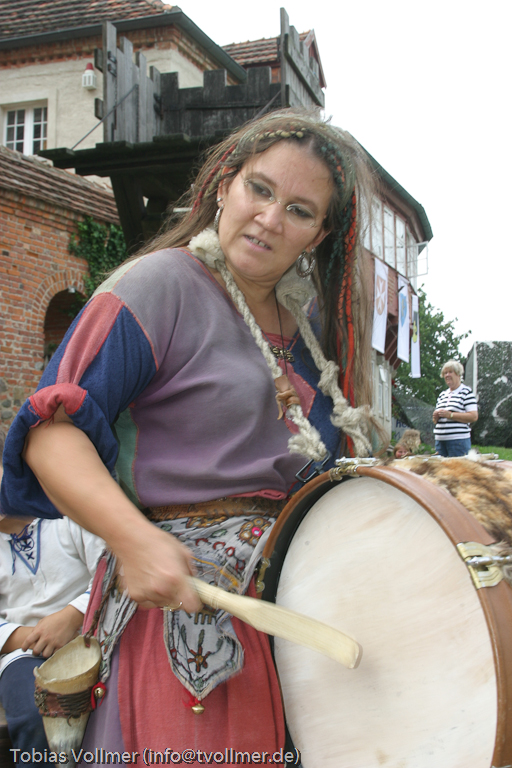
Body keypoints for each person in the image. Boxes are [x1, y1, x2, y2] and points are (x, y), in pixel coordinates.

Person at [0, 109, 380, 762]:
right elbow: (51, 435)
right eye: (259, 189)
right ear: (225, 185)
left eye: (298, 210)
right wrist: (132, 538)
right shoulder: (159, 285)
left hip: (296, 616)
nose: (269, 218)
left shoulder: (314, 328)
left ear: (318, 234)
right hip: (183, 621)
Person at [0, 427, 104, 767]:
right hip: (24, 656)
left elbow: (110, 570)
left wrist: (73, 615)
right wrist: (29, 637)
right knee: (37, 716)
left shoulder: (68, 510)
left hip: (95, 638)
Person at [432, 360, 478, 456]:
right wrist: (436, 417)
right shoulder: (442, 395)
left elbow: (473, 416)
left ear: (458, 374)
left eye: (450, 372)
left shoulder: (466, 392)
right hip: (440, 441)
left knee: (458, 466)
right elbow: (436, 421)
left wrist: (451, 415)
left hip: (458, 441)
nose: (447, 375)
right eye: (445, 373)